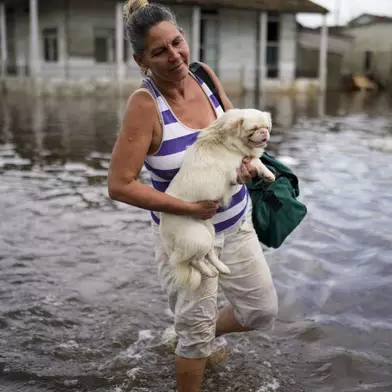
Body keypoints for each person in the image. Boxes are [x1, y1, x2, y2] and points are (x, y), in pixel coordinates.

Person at [106, 0, 278, 390]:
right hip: (185, 233)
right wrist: (187, 207)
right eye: (159, 51)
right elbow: (119, 184)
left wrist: (248, 165)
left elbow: (239, 136)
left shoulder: (205, 76)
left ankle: (187, 334)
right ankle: (192, 338)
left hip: (237, 223)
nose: (174, 56)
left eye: (177, 42)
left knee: (261, 311)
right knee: (196, 338)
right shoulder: (144, 105)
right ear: (141, 60)